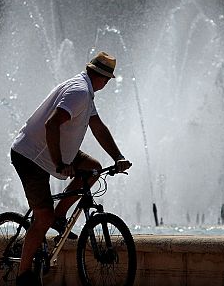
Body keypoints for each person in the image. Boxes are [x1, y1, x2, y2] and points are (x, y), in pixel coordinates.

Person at [10, 51, 132, 285]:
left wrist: (118, 156)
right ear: (99, 77)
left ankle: (60, 215)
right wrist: (59, 163)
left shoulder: (86, 94)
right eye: (107, 79)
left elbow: (98, 128)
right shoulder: (79, 92)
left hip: (51, 150)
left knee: (93, 168)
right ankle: (24, 275)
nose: (107, 84)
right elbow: (52, 124)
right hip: (30, 155)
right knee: (42, 217)